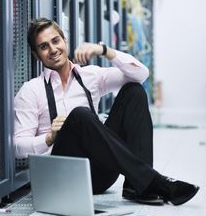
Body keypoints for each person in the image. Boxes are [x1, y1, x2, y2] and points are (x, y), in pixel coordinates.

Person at [14, 18, 199, 206]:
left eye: (55, 41)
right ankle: (154, 182)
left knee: (134, 91)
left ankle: (137, 186)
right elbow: (17, 147)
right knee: (80, 115)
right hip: (64, 176)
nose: (53, 49)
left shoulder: (91, 75)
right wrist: (49, 138)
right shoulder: (31, 90)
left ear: (65, 41)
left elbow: (141, 75)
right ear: (36, 55)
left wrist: (105, 51)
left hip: (100, 174)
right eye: (44, 46)